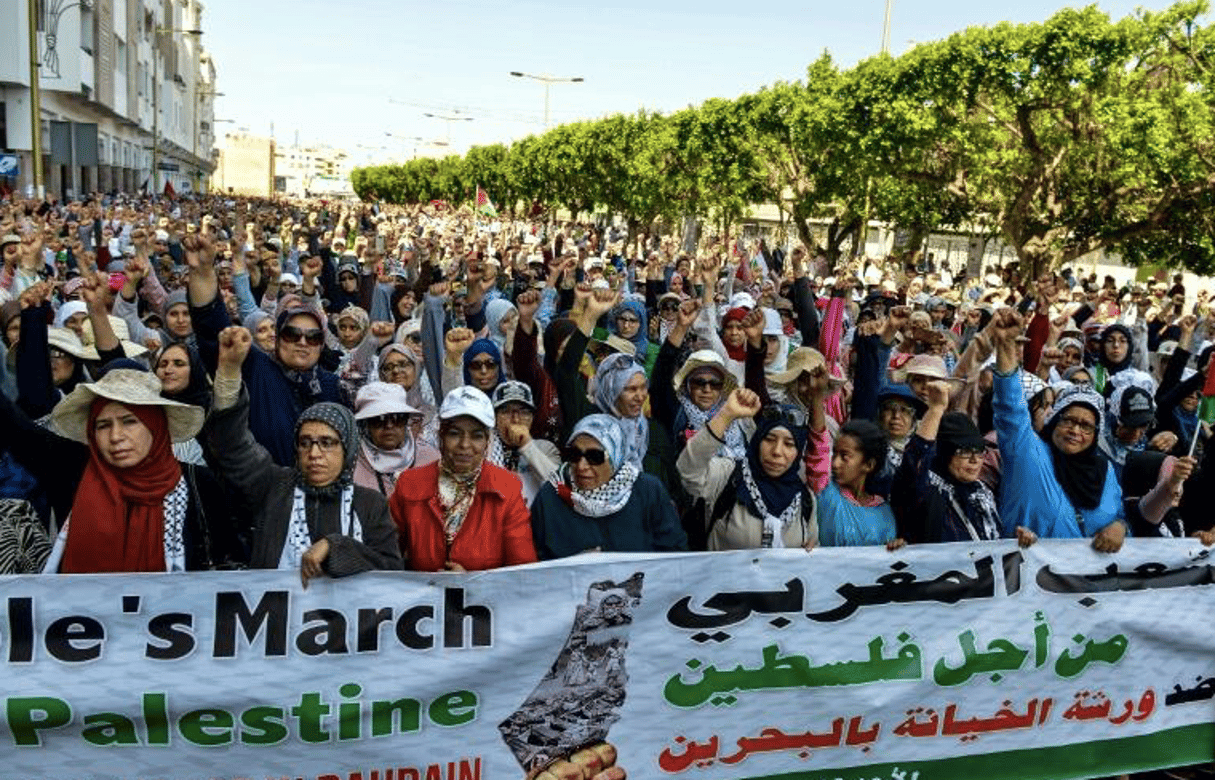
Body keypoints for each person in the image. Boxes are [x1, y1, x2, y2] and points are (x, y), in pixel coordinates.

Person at [207, 326, 402, 584]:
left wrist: (336, 548)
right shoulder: (273, 486)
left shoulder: (371, 504)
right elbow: (232, 446)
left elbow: (391, 569)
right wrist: (230, 373)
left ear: (348, 449)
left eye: (327, 443)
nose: (314, 453)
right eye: (305, 443)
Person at [16, 368, 240, 572]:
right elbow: (14, 424)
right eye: (103, 425)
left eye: (129, 421)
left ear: (155, 425)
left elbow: (230, 564)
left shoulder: (199, 484)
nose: (115, 437)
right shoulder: (73, 475)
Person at [188, 233, 342, 466]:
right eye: (292, 334)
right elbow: (213, 329)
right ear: (278, 339)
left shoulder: (331, 386)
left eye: (313, 337)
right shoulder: (257, 368)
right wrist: (203, 272)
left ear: (322, 344)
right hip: (263, 494)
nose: (302, 342)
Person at [990, 308, 1126, 551]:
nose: (1075, 430)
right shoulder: (1027, 451)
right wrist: (1006, 345)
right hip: (1024, 580)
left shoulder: (1104, 471)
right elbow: (1010, 407)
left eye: (1086, 426)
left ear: (1096, 434)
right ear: (1054, 420)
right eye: (1068, 420)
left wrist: (1120, 527)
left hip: (1083, 584)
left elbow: (1118, 514)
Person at [389, 386, 537, 572]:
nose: (465, 445)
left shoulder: (507, 488)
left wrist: (470, 584)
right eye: (454, 434)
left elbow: (522, 571)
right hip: (424, 598)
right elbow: (388, 558)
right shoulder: (410, 484)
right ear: (440, 435)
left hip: (485, 600)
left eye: (476, 436)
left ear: (487, 442)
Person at [677, 389, 817, 551]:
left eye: (789, 444)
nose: (777, 451)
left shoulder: (805, 500)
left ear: (798, 453)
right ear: (757, 441)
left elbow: (813, 546)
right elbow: (688, 471)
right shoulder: (728, 476)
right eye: (770, 440)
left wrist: (811, 552)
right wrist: (726, 414)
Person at [531, 414, 686, 559]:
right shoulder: (551, 496)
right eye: (574, 454)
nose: (581, 466)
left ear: (615, 457)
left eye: (594, 457)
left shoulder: (648, 491)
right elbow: (537, 566)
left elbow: (674, 556)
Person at [892, 380, 1012, 544]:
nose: (974, 460)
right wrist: (936, 409)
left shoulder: (982, 492)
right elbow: (915, 461)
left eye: (979, 452)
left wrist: (1018, 543)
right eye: (964, 452)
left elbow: (997, 540)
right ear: (944, 454)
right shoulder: (927, 490)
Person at [353, 381, 439, 496]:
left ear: (406, 421)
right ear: (365, 425)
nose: (389, 425)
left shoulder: (431, 458)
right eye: (379, 419)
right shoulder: (352, 464)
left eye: (397, 418)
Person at [486, 381, 560, 504]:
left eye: (524, 412)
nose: (515, 419)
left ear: (532, 418)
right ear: (494, 418)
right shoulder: (483, 449)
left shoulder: (545, 448)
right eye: (506, 412)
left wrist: (527, 445)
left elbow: (559, 487)